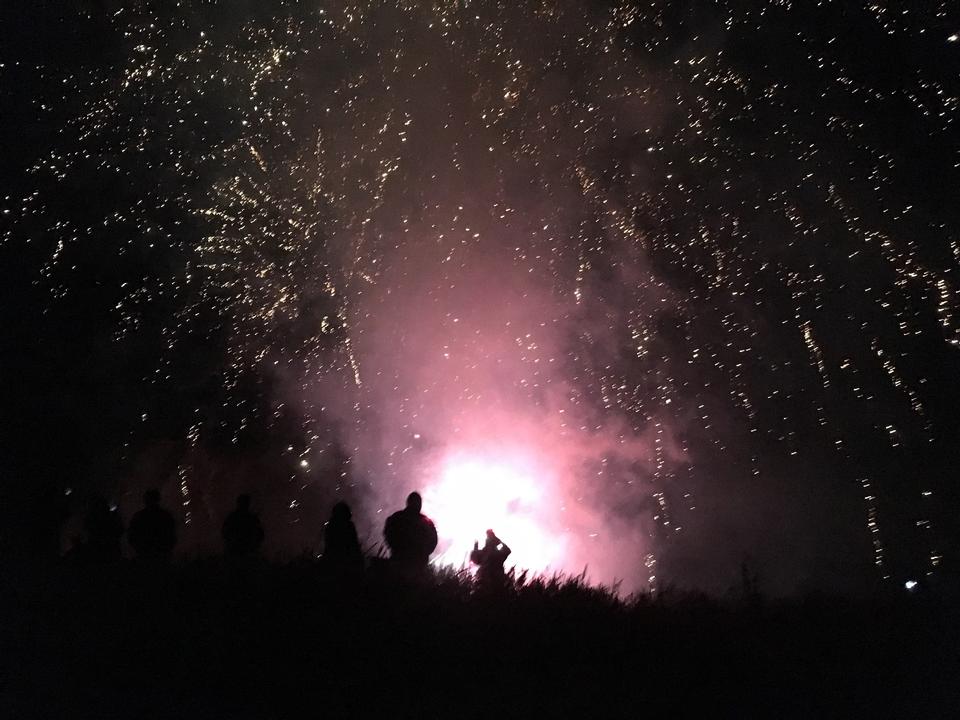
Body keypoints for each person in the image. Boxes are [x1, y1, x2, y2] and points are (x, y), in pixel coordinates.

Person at [383, 491, 437, 577]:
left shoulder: (397, 518)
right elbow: (433, 542)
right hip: (418, 566)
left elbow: (388, 533)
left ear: (408, 502)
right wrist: (423, 553)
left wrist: (396, 548)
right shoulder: (426, 522)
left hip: (399, 562)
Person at [127, 488, 177, 561]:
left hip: (145, 554)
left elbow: (132, 536)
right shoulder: (165, 515)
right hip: (161, 555)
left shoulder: (139, 516)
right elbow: (171, 535)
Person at [322, 501, 363, 576]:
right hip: (346, 563)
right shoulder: (348, 526)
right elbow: (354, 545)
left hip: (332, 564)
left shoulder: (331, 526)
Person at [82, 494, 124, 562]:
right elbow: (120, 530)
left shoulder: (90, 519)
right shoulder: (111, 517)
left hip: (98, 552)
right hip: (111, 551)